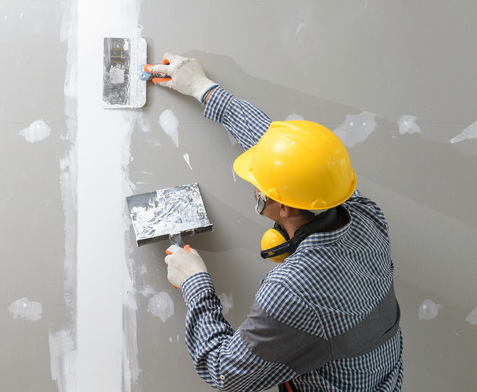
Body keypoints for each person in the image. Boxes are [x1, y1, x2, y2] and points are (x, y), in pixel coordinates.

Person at [148, 53, 403, 392]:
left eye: (259, 183)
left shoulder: (294, 290)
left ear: (281, 206)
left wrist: (195, 281)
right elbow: (284, 151)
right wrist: (202, 87)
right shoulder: (364, 214)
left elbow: (226, 372)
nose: (254, 185)